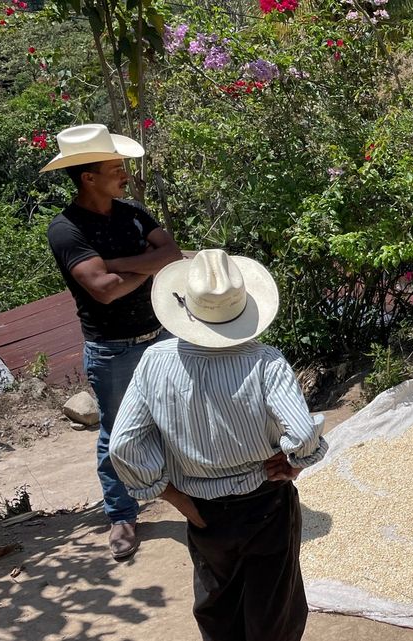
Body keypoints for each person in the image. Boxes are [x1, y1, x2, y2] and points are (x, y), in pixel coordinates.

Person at [110, 248, 328, 641]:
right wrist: (297, 460)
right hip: (265, 503)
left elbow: (123, 444)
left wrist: (173, 496)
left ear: (186, 308)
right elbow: (301, 431)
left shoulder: (154, 362)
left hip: (202, 511)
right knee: (272, 608)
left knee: (217, 604)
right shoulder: (265, 362)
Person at [40, 123, 183, 559]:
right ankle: (121, 514)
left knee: (177, 417)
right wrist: (147, 264)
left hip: (161, 333)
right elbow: (103, 289)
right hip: (113, 348)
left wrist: (119, 263)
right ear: (88, 177)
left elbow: (172, 255)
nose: (124, 174)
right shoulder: (66, 230)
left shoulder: (133, 213)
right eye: (115, 168)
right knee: (116, 433)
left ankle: (189, 494)